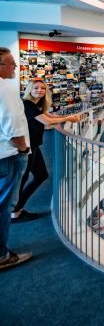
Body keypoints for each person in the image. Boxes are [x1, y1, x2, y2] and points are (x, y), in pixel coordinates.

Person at [11, 78, 78, 222]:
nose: (39, 91)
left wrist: (66, 117)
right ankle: (14, 211)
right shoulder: (27, 104)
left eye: (42, 88)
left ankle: (16, 209)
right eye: (36, 88)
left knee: (40, 175)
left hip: (33, 146)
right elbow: (47, 121)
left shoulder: (36, 104)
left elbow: (49, 116)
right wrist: (67, 119)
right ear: (30, 89)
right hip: (27, 147)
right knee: (22, 181)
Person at [0, 46, 33, 270]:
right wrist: (22, 149)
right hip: (10, 156)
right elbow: (13, 125)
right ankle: (2, 255)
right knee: (4, 205)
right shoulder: (6, 89)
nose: (15, 66)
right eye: (11, 63)